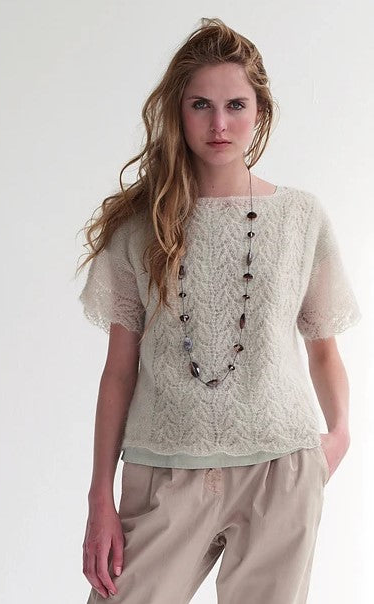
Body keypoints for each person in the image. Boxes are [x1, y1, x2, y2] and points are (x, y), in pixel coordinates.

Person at [75, 17, 362, 603]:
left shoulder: (300, 217)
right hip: (165, 468)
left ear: (261, 111)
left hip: (281, 468)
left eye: (236, 105)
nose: (219, 124)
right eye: (201, 105)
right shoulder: (140, 226)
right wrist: (100, 496)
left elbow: (324, 348)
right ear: (177, 112)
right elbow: (118, 371)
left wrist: (338, 435)